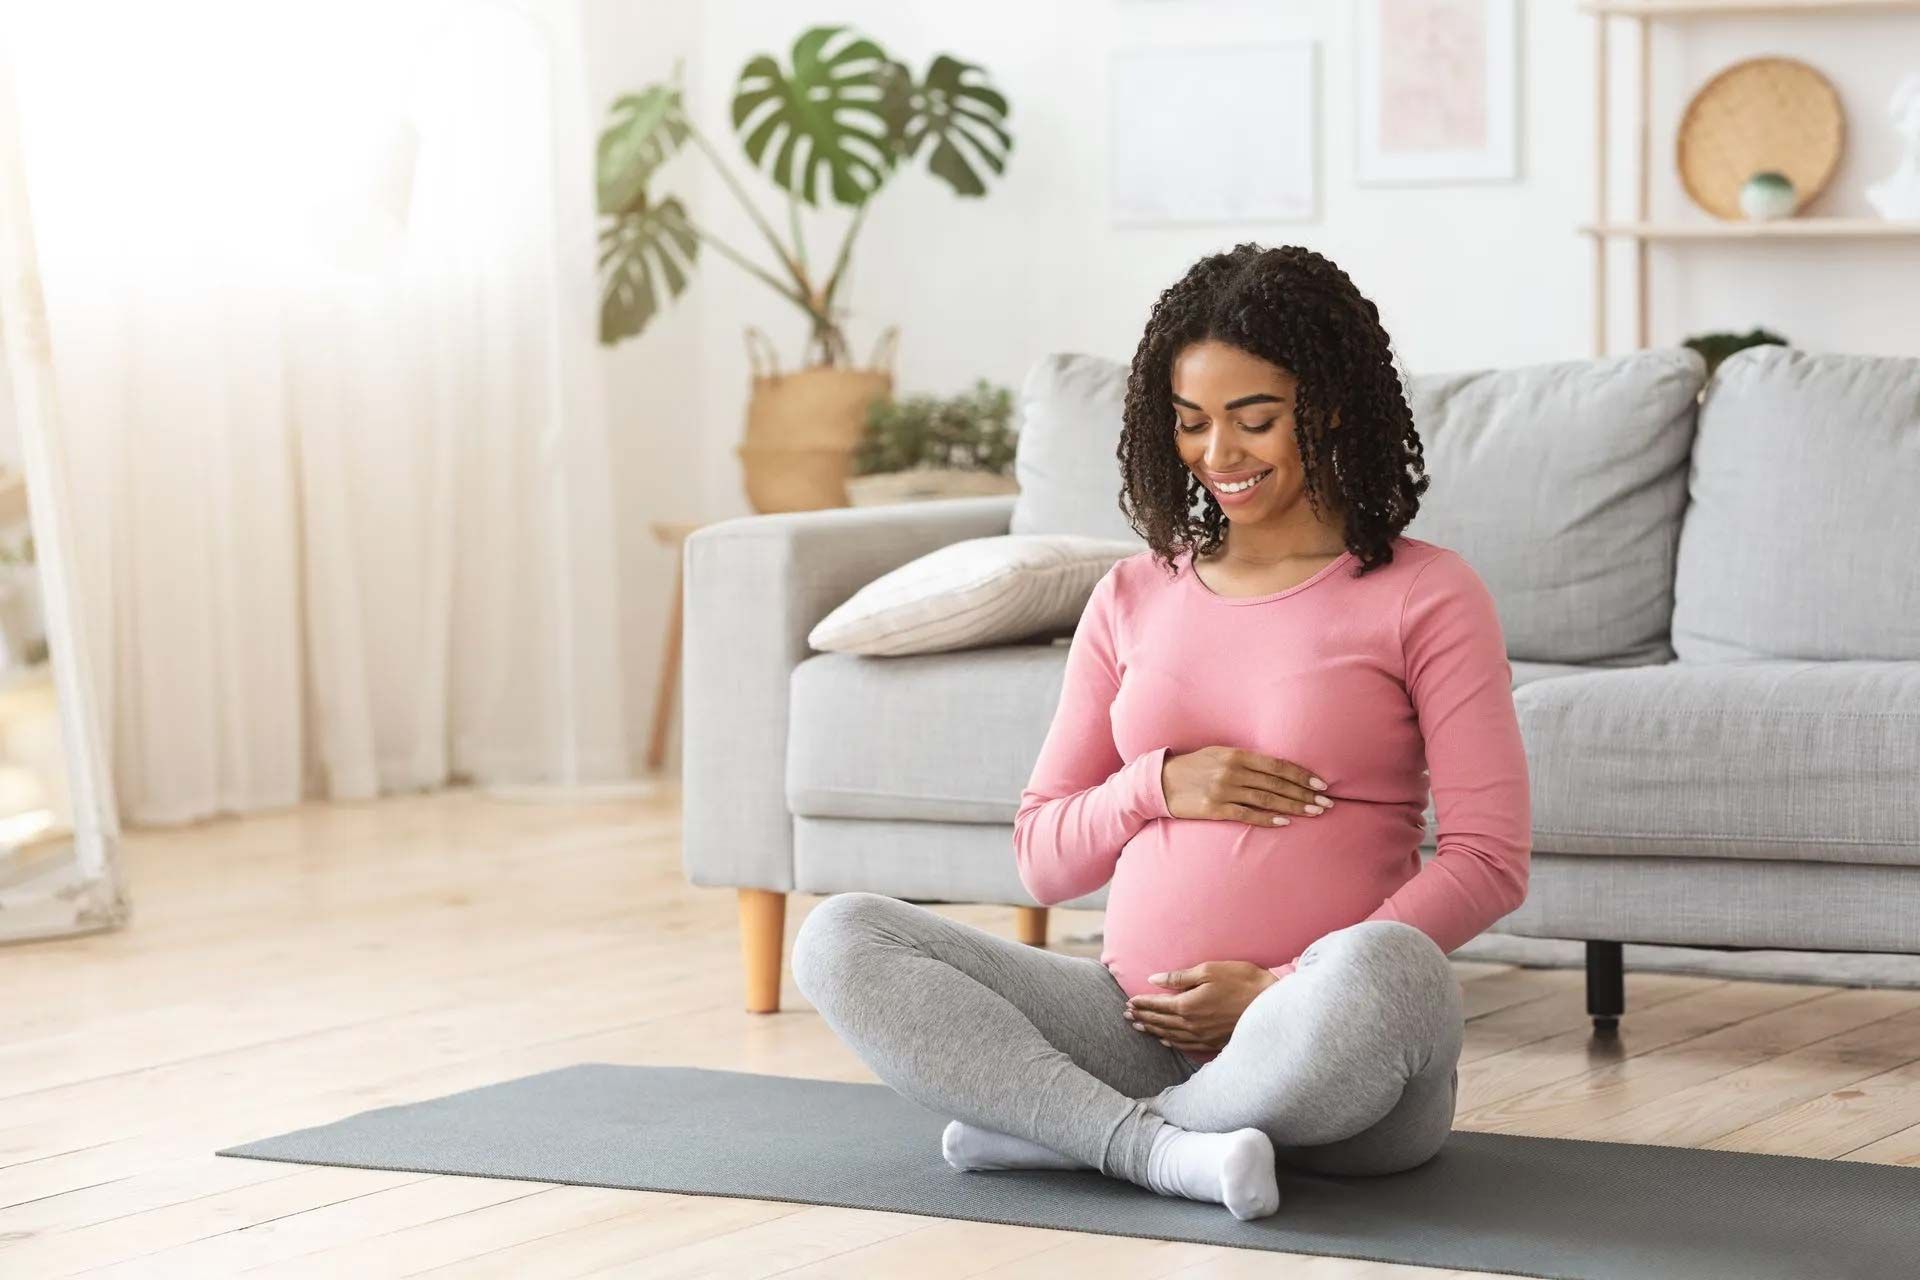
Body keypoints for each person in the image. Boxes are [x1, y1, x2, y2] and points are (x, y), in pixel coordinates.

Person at [791, 243, 1531, 1221]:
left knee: (1392, 972)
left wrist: (1281, 986)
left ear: (1335, 405)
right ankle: (1158, 1145)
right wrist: (1158, 784)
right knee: (842, 934)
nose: (1219, 453)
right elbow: (1042, 858)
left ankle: (1075, 1131)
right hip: (1130, 1019)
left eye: (1254, 419)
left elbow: (1489, 859)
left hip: (1330, 1047)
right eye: (1192, 422)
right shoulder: (1133, 594)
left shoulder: (1427, 593)